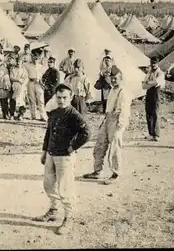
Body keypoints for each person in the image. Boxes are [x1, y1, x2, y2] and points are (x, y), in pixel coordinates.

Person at [34, 83, 90, 236]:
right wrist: (44, 152)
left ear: (71, 97)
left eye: (64, 97)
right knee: (48, 184)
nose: (61, 100)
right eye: (58, 97)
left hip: (65, 157)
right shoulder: (53, 113)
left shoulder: (74, 115)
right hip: (51, 154)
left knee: (65, 188)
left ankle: (69, 217)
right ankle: (53, 210)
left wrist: (72, 147)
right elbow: (48, 133)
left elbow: (86, 133)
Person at [82, 65, 131, 185]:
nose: (113, 80)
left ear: (121, 78)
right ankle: (97, 171)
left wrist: (120, 127)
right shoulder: (112, 90)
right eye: (112, 78)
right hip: (108, 118)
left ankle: (116, 173)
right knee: (100, 144)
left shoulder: (123, 92)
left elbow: (124, 111)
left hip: (117, 120)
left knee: (114, 148)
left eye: (116, 78)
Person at [142, 58, 165, 141]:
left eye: (154, 63)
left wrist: (148, 82)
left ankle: (157, 134)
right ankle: (151, 133)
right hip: (149, 92)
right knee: (148, 112)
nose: (153, 65)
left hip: (156, 93)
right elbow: (143, 85)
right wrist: (148, 83)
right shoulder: (149, 72)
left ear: (158, 63)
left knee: (155, 112)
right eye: (152, 63)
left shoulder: (160, 73)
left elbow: (156, 82)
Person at [25, 51, 48, 121]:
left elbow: (45, 76)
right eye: (34, 58)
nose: (35, 60)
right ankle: (33, 116)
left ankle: (43, 116)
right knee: (32, 100)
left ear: (38, 59)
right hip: (31, 83)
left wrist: (41, 81)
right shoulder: (29, 66)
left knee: (40, 100)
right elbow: (25, 74)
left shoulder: (41, 67)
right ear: (32, 58)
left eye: (36, 58)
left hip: (38, 84)